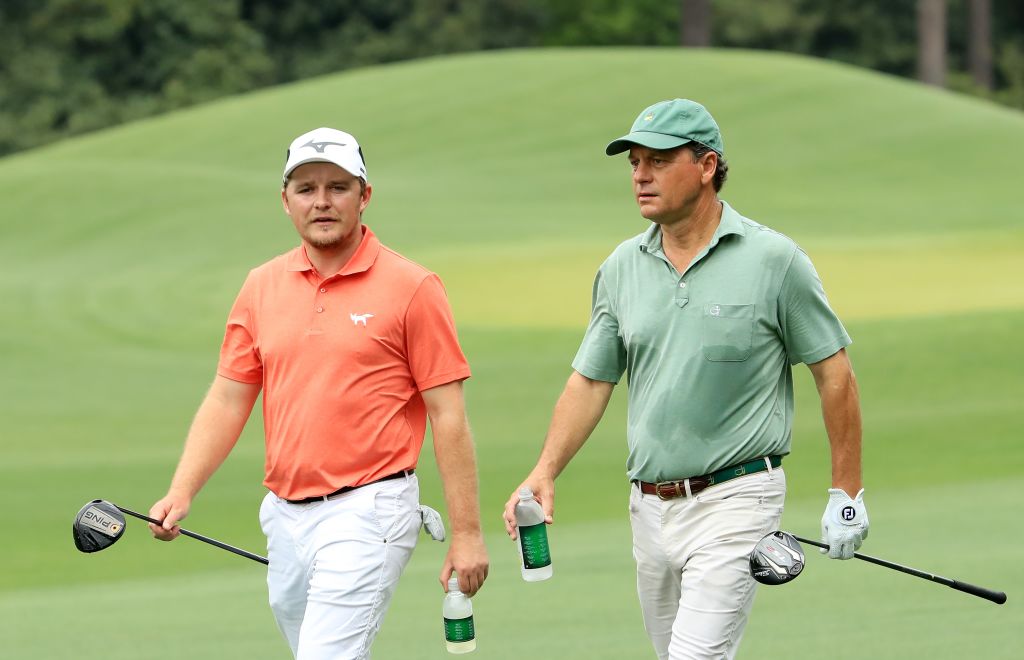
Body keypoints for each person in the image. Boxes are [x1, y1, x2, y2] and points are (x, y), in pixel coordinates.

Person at [502, 99, 868, 660]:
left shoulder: (775, 260)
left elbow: (833, 372)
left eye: (658, 160)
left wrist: (847, 493)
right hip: (648, 508)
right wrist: (544, 470)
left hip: (738, 497)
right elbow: (591, 381)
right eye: (634, 163)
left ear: (706, 166)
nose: (641, 175)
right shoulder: (621, 267)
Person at [149, 127, 489, 659]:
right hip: (284, 514)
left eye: (338, 187)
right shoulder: (261, 286)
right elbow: (229, 397)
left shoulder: (412, 287)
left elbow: (449, 415)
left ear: (364, 196)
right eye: (306, 189)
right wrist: (181, 490)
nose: (322, 201)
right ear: (286, 202)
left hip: (370, 508)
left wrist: (468, 534)